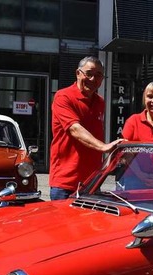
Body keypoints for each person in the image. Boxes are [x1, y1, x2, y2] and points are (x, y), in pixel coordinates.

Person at [49, 56, 121, 200]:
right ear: (78, 73)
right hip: (66, 183)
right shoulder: (63, 97)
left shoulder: (100, 102)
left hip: (92, 183)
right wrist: (103, 147)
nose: (93, 79)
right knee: (62, 223)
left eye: (99, 75)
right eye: (89, 74)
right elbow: (75, 129)